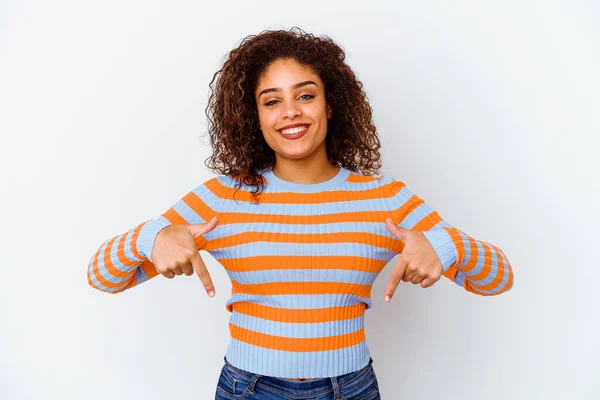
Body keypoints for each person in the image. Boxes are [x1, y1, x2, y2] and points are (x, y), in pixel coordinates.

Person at [87, 27, 514, 400]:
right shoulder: (224, 196)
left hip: (351, 389)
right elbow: (101, 276)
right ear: (254, 117)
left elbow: (499, 278)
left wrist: (446, 245)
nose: (290, 111)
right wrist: (151, 238)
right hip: (249, 389)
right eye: (271, 101)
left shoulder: (384, 198)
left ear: (331, 106)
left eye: (306, 95)